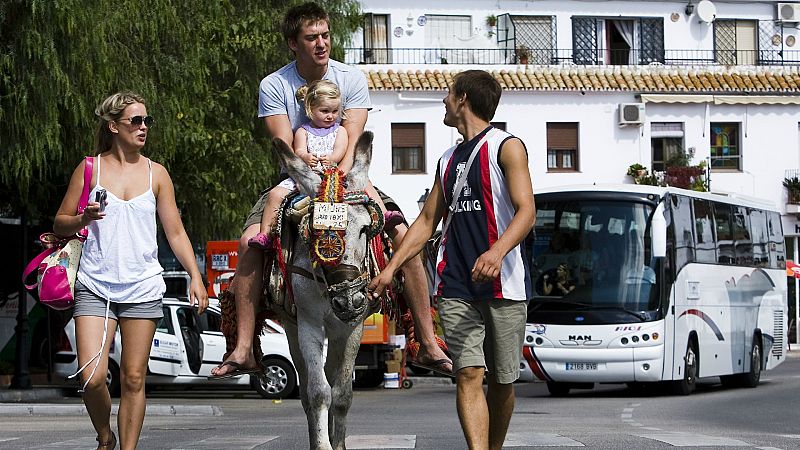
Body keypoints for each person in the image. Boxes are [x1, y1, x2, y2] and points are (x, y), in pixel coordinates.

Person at [211, 1, 451, 378]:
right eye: (311, 38)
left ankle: (426, 339)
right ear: (294, 43)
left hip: (347, 176)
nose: (321, 43)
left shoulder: (351, 78)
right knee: (247, 244)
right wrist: (311, 176)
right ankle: (243, 347)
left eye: (325, 35)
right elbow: (285, 146)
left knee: (404, 235)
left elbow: (351, 141)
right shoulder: (274, 85)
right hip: (297, 178)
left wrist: (336, 183)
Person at [369, 70, 535, 450]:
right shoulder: (446, 160)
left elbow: (527, 210)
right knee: (468, 374)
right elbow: (426, 222)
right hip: (456, 285)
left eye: (447, 93)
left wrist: (496, 252)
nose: (443, 100)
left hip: (504, 284)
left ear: (462, 98)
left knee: (504, 380)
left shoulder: (507, 147)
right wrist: (390, 268)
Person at [54, 91, 208, 449]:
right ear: (113, 126)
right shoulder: (89, 168)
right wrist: (82, 217)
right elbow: (60, 223)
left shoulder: (158, 174)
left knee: (134, 378)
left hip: (142, 287)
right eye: (135, 121)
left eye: (147, 121)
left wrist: (195, 276)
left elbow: (175, 232)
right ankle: (105, 436)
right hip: (94, 284)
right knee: (92, 377)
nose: (143, 127)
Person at [248, 79, 348, 249]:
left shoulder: (340, 130)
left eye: (335, 111)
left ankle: (382, 216)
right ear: (310, 109)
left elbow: (340, 150)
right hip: (302, 177)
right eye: (324, 111)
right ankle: (265, 234)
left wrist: (332, 159)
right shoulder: (303, 131)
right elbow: (299, 150)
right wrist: (306, 157)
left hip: (331, 178)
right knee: (275, 194)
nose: (330, 116)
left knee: (361, 195)